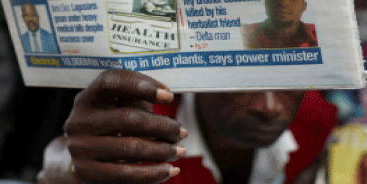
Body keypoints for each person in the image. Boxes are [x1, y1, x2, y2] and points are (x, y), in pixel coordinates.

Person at [38, 69, 337, 184]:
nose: (270, 106)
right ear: (197, 76)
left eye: (289, 80)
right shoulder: (148, 118)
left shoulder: (312, 114)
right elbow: (63, 155)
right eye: (243, 80)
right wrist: (70, 167)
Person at [242, 0, 318, 49]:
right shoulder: (245, 33)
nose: (283, 3)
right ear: (265, 2)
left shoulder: (317, 34)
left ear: (304, 6)